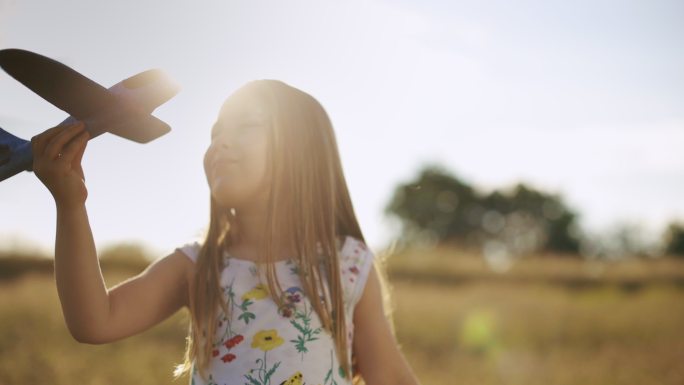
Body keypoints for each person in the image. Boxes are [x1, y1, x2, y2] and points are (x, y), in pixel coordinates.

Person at [31, 79, 420, 385]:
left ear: (302, 149)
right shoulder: (198, 265)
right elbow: (94, 322)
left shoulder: (346, 263)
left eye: (246, 127)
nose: (221, 143)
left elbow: (390, 377)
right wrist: (70, 206)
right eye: (215, 133)